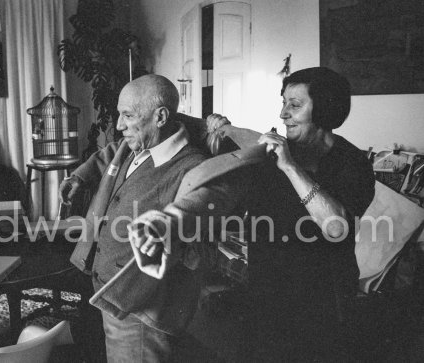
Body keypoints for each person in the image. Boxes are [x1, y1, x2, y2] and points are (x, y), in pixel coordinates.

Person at [128, 67, 376, 361]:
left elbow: (336, 227)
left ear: (325, 110)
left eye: (294, 106)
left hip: (323, 300)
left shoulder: (352, 163)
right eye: (283, 103)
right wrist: (222, 131)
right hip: (266, 292)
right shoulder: (271, 155)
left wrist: (290, 167)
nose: (283, 114)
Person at [58, 74, 209, 362]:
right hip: (113, 293)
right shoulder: (137, 143)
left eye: (127, 115)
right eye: (119, 114)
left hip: (141, 309)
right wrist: (81, 175)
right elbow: (109, 152)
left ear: (161, 117)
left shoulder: (192, 167)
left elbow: (196, 208)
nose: (118, 125)